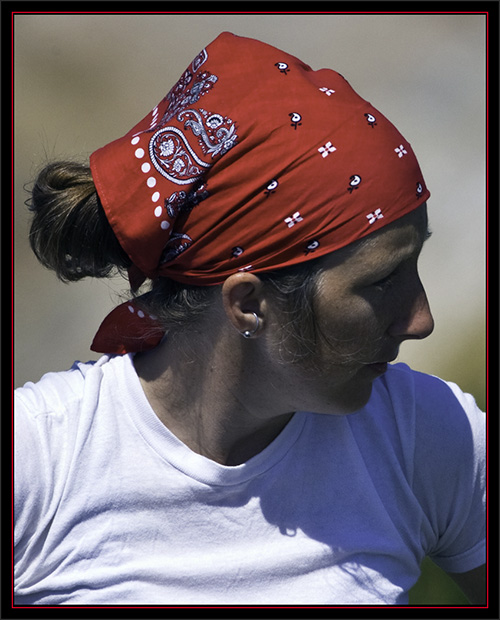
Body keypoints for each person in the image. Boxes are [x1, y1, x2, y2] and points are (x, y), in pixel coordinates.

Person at [14, 32, 485, 606]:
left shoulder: (426, 436)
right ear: (248, 305)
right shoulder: (41, 463)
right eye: (381, 283)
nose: (420, 319)